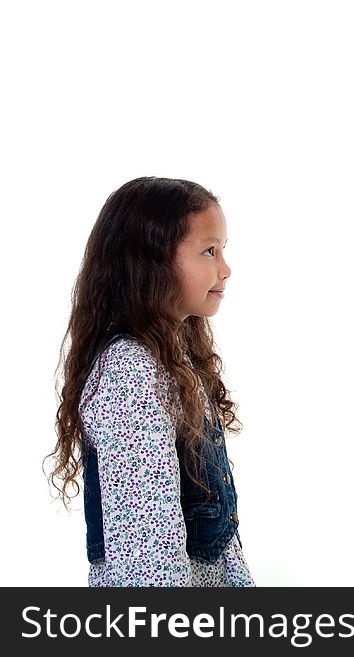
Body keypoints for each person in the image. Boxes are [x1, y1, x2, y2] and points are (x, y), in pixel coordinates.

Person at [48, 177, 254, 586]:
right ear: (152, 262)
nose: (225, 269)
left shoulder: (170, 355)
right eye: (209, 251)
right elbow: (148, 544)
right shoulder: (132, 374)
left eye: (223, 250)